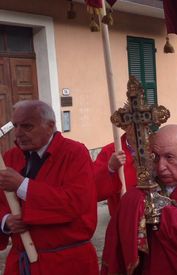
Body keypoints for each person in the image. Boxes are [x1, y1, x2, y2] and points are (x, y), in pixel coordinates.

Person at [0, 100, 98, 274]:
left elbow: (74, 202)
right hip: (21, 262)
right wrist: (6, 221)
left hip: (66, 263)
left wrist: (22, 185)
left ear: (50, 125)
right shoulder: (10, 157)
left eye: (27, 126)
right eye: (15, 126)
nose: (18, 134)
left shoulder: (75, 153)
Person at [101, 124, 177, 275]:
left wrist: (159, 211)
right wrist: (134, 203)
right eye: (156, 157)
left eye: (169, 157)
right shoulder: (153, 176)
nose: (160, 167)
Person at [94, 132, 137, 216]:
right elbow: (95, 191)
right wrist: (110, 168)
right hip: (125, 216)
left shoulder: (157, 146)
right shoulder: (109, 151)